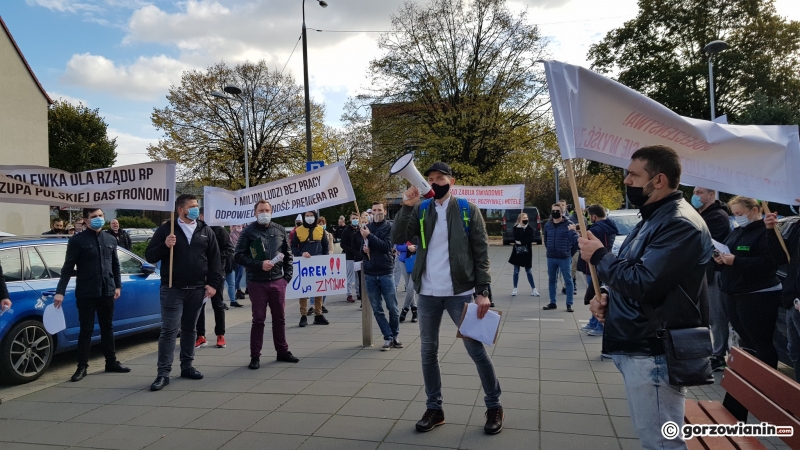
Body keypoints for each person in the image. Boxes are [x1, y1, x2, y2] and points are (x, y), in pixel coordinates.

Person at [580, 145, 712, 450]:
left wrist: (599, 255)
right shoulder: (652, 218)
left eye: (633, 174)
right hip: (638, 343)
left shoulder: (679, 223)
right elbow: (637, 274)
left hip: (654, 350)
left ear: (659, 180)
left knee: (661, 444)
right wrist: (608, 298)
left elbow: (645, 283)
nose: (626, 180)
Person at [392, 161, 503, 436]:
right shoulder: (421, 209)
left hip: (461, 293)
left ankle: (494, 406)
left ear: (451, 181)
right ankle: (435, 409)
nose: (434, 182)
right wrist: (406, 206)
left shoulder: (467, 210)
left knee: (476, 351)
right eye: (430, 178)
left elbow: (481, 252)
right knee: (428, 352)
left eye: (440, 177)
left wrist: (483, 292)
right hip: (427, 293)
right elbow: (397, 237)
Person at [145, 194, 222, 391]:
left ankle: (187, 366)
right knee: (170, 330)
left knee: (190, 329)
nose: (196, 209)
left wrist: (213, 284)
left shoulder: (205, 230)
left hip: (197, 289)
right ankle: (163, 373)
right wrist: (165, 245)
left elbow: (215, 260)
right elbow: (150, 255)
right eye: (192, 206)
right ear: (181, 209)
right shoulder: (166, 229)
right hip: (173, 289)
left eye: (197, 205)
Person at [54, 207, 129, 382]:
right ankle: (82, 366)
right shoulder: (77, 241)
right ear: (86, 221)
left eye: (101, 216)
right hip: (86, 292)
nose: (98, 219)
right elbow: (67, 268)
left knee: (107, 327)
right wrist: (60, 292)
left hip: (107, 290)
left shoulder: (110, 238)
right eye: (94, 217)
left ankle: (111, 362)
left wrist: (117, 286)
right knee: (86, 330)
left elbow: (115, 265)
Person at [714, 197, 782, 369]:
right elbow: (728, 250)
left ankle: (766, 383)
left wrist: (736, 261)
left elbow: (768, 263)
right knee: (746, 341)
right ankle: (748, 379)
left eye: (740, 213)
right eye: (735, 214)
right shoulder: (738, 231)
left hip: (757, 294)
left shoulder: (767, 232)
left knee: (760, 342)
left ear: (754, 210)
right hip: (734, 292)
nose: (737, 218)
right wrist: (720, 259)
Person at [234, 200, 299, 369]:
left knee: (280, 319)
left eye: (267, 210)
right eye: (261, 210)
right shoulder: (248, 231)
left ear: (272, 211)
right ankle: (255, 356)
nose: (264, 212)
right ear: (255, 213)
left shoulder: (279, 230)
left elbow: (288, 255)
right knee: (259, 320)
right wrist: (259, 264)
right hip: (257, 282)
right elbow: (238, 256)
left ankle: (282, 351)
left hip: (278, 281)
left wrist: (287, 278)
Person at [691, 187, 731, 371]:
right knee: (704, 315)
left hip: (713, 272)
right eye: (694, 192)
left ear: (711, 195)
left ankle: (718, 354)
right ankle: (709, 351)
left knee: (716, 316)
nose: (695, 196)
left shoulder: (717, 216)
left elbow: (701, 242)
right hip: (702, 272)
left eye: (699, 192)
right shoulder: (702, 214)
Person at [766, 200, 800, 381]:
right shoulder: (796, 226)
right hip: (792, 301)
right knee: (795, 353)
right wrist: (772, 231)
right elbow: (780, 258)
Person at [362, 201, 402, 351]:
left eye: (379, 210)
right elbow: (362, 249)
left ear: (385, 212)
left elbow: (386, 246)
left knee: (392, 307)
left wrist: (370, 236)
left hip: (385, 272)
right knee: (377, 309)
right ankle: (388, 337)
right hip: (370, 273)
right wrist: (364, 249)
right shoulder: (366, 228)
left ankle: (395, 335)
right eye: (374, 210)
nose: (376, 212)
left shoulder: (390, 227)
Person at [194, 208, 233, 349]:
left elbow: (230, 249)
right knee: (199, 305)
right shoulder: (196, 229)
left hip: (217, 273)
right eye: (204, 215)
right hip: (200, 273)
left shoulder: (219, 230)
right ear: (201, 216)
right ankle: (201, 336)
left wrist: (215, 257)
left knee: (218, 304)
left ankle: (220, 335)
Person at [577, 205, 617, 336]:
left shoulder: (596, 230)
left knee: (597, 295)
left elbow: (586, 244)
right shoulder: (609, 226)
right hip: (603, 263)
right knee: (596, 293)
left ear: (594, 217)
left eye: (590, 217)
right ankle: (593, 322)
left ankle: (599, 325)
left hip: (595, 264)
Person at [291, 210, 330, 326]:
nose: (309, 217)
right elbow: (293, 247)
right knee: (303, 290)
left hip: (318, 264)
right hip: (304, 264)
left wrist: (325, 260)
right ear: (303, 217)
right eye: (307, 216)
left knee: (319, 289)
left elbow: (325, 247)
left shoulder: (321, 230)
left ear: (315, 216)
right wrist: (301, 254)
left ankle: (318, 314)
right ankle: (303, 315)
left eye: (311, 215)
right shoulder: (298, 231)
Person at [543, 204, 578, 312]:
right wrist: (549, 249)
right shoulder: (548, 225)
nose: (555, 212)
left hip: (564, 257)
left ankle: (569, 304)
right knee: (552, 280)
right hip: (551, 257)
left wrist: (569, 253)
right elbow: (546, 240)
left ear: (562, 212)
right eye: (553, 210)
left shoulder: (569, 224)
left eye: (557, 211)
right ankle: (552, 302)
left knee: (568, 280)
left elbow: (575, 242)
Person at [508, 212, 540, 297]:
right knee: (516, 271)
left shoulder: (530, 228)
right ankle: (515, 288)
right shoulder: (516, 228)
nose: (525, 219)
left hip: (527, 253)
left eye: (526, 217)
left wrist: (521, 241)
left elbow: (530, 239)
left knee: (529, 271)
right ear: (519, 219)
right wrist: (520, 228)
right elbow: (516, 238)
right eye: (523, 218)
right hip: (517, 252)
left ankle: (534, 289)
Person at [308, 216, 333, 314]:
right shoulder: (312, 233)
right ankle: (313, 304)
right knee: (313, 283)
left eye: (323, 223)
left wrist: (328, 256)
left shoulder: (328, 235)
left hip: (324, 260)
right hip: (314, 261)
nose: (322, 225)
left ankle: (321, 304)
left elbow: (330, 248)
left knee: (323, 283)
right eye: (320, 223)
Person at [341, 212, 361, 303]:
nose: (355, 220)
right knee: (349, 275)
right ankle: (349, 294)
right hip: (350, 256)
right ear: (350, 220)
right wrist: (351, 250)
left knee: (358, 276)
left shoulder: (360, 230)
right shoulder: (346, 230)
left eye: (356, 218)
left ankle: (358, 292)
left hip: (358, 256)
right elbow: (342, 244)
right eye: (353, 218)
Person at [397, 237, 419, 322]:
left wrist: (415, 247)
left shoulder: (419, 230)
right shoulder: (403, 232)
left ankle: (404, 310)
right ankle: (414, 310)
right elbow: (397, 246)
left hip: (416, 261)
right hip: (404, 261)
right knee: (409, 287)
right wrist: (407, 248)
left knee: (410, 288)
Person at [230, 224, 246, 305]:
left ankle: (236, 289)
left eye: (241, 227)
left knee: (240, 274)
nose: (240, 228)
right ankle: (235, 291)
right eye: (238, 226)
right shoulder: (232, 235)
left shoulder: (242, 234)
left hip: (242, 256)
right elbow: (230, 246)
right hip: (235, 257)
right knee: (237, 275)